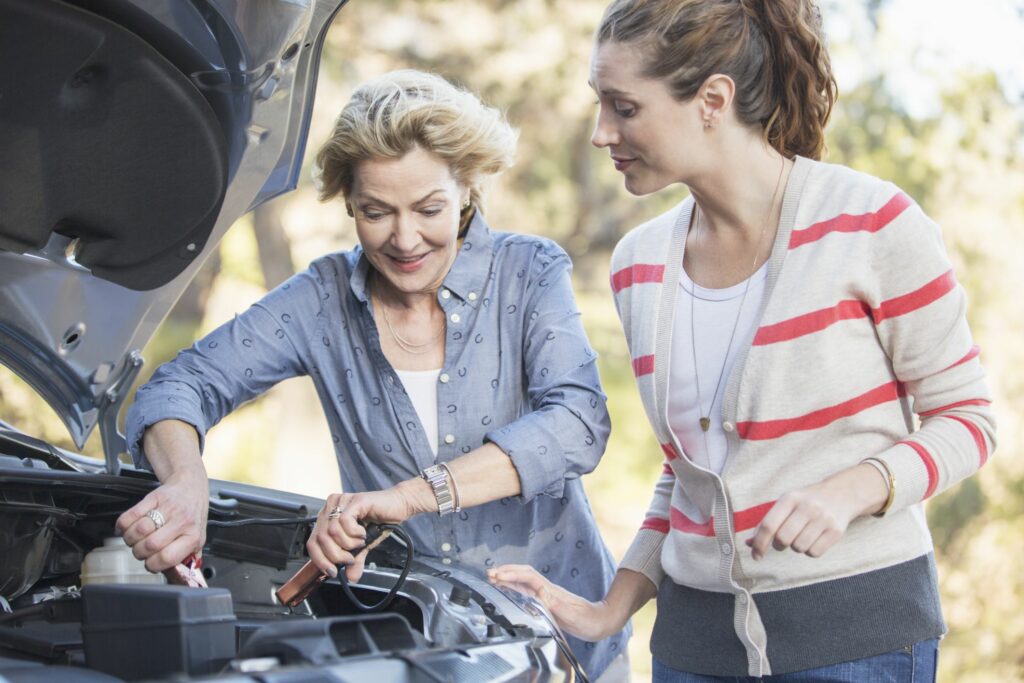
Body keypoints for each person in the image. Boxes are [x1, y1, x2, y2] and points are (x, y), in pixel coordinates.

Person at [489, 1, 996, 681]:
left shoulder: (872, 225)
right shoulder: (638, 266)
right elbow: (692, 472)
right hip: (690, 651)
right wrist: (612, 606)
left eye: (624, 107)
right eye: (599, 105)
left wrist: (856, 486)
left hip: (856, 643)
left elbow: (969, 419)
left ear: (713, 99)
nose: (601, 132)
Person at [114, 70, 629, 681]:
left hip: (558, 643)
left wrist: (408, 497)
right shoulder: (321, 299)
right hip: (412, 651)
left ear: (466, 190)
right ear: (349, 203)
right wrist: (186, 479)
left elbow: (577, 423)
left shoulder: (530, 271)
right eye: (376, 212)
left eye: (429, 209)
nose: (405, 239)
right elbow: (180, 386)